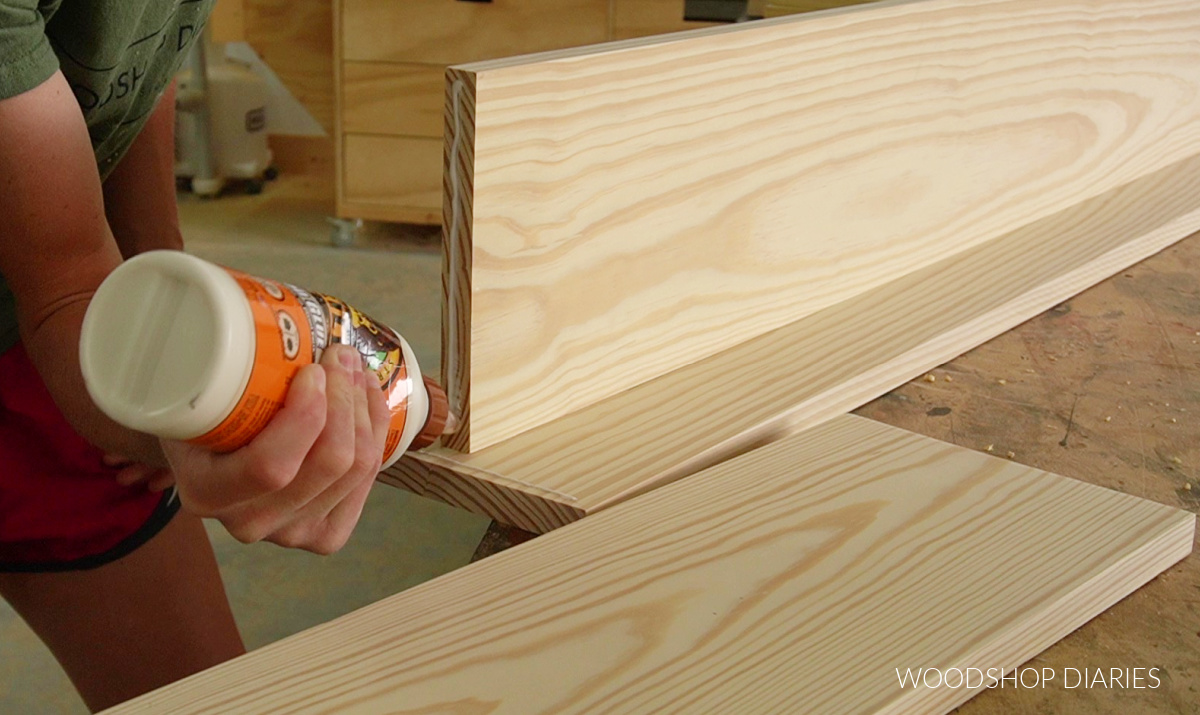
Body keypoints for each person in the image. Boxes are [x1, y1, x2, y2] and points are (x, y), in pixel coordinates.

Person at [0, 2, 391, 710]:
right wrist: (192, 426)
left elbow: (131, 58)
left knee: (208, 693)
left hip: (43, 339)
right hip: (51, 308)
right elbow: (63, 287)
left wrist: (170, 300)